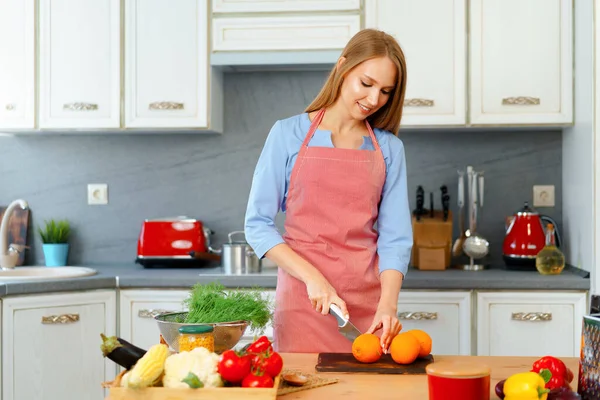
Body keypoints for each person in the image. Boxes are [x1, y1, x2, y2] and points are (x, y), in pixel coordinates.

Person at [244, 28, 413, 354]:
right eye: (366, 83)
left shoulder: (390, 149)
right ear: (342, 67)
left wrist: (388, 306)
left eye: (385, 91)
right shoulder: (287, 134)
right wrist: (313, 279)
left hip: (368, 312)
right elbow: (257, 225)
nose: (374, 99)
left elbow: (395, 239)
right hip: (304, 303)